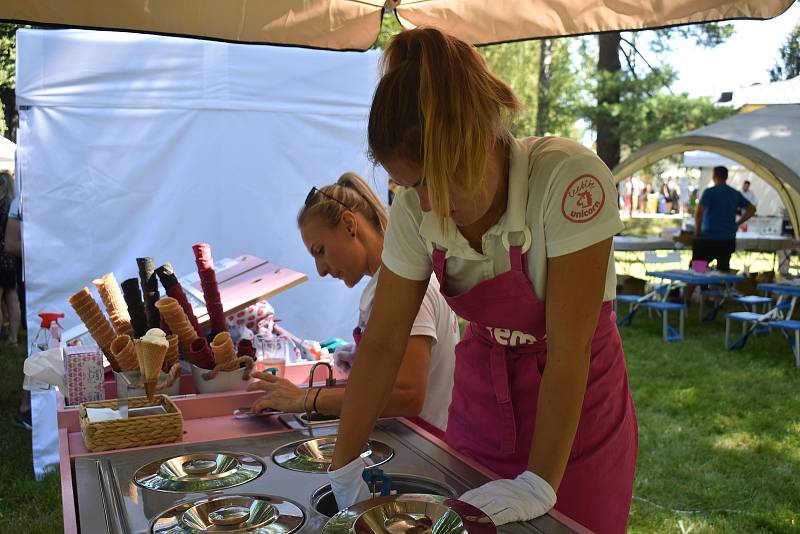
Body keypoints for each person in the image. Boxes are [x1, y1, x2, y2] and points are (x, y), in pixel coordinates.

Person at [328, 28, 637, 534]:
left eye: (428, 181)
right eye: (408, 186)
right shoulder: (412, 209)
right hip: (481, 405)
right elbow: (383, 342)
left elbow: (569, 350)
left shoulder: (566, 179)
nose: (421, 203)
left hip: (575, 414)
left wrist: (539, 481)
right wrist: (343, 463)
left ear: (472, 144)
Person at [248, 172, 458, 432]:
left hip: (422, 445)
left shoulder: (409, 287)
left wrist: (307, 399)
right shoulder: (389, 283)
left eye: (320, 251)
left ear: (349, 225)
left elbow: (408, 394)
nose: (321, 270)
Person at [692, 166, 756, 272]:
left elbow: (699, 213)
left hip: (708, 239)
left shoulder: (710, 192)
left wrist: (697, 230)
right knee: (723, 272)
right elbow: (752, 209)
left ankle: (699, 288)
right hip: (727, 240)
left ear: (714, 176)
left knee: (697, 271)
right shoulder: (735, 193)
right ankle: (719, 288)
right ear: (726, 177)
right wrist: (738, 223)